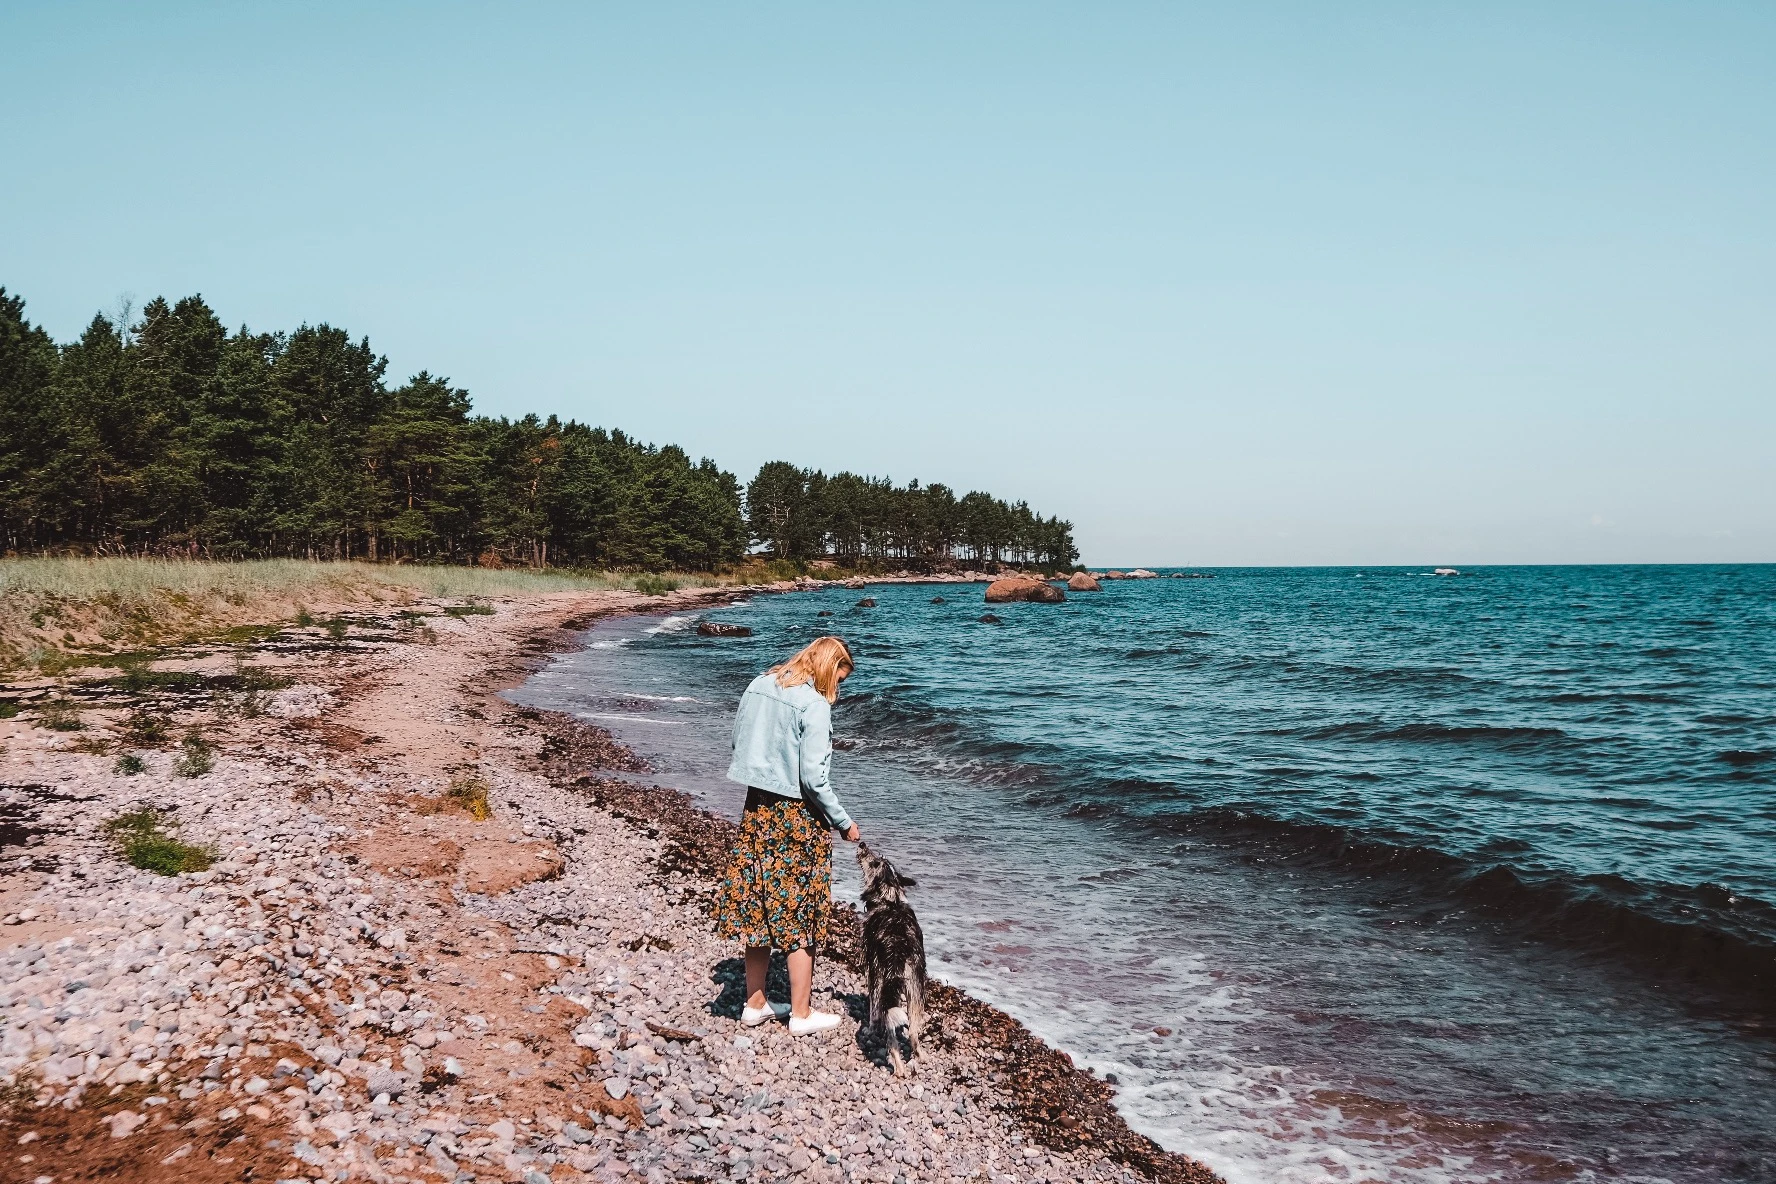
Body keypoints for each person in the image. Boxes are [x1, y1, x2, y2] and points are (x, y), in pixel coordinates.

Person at [713, 635, 861, 1036]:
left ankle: (754, 1003)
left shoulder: (760, 683)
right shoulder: (813, 704)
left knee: (759, 901)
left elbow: (737, 739)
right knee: (800, 910)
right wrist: (843, 822)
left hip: (757, 805)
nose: (837, 689)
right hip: (796, 816)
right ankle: (801, 1013)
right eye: (839, 679)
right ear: (828, 668)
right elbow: (814, 779)